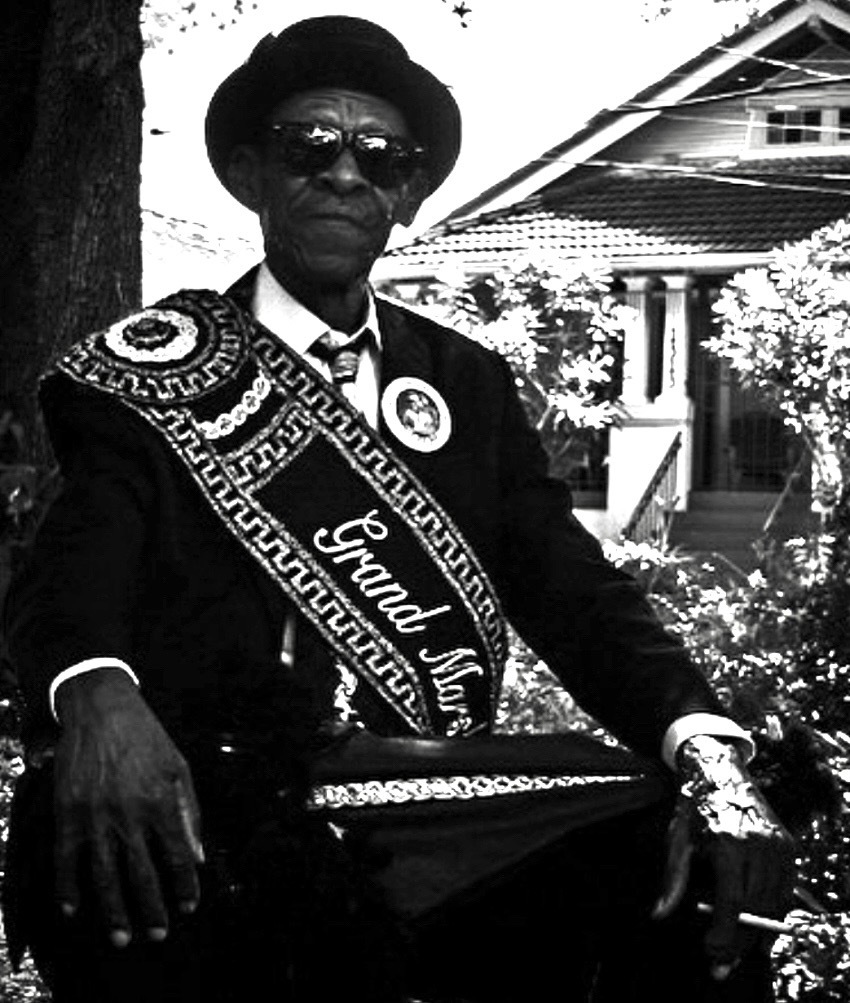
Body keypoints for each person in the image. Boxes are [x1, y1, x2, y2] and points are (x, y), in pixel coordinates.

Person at [2, 15, 794, 1003]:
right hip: (206, 791)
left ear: (409, 191)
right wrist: (97, 695)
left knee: (687, 841)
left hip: (424, 803)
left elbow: (573, 592)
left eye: (380, 155)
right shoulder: (150, 374)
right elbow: (72, 565)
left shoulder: (467, 381)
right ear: (250, 173)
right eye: (309, 147)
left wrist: (707, 750)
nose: (345, 174)